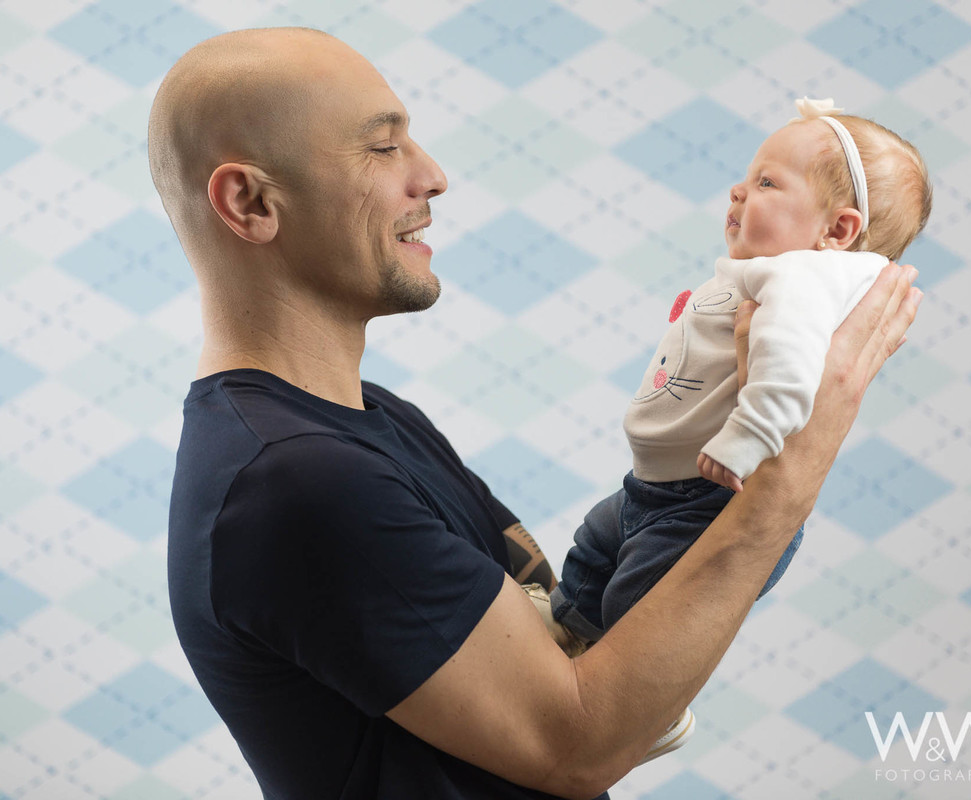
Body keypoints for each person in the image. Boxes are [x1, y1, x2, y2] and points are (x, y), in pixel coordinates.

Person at [151, 27, 922, 799]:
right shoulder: (295, 481)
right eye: (383, 149)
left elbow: (560, 641)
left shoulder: (371, 421)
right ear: (250, 202)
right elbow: (578, 742)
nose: (433, 175)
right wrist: (791, 469)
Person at [547, 101, 933, 662]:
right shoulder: (768, 273)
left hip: (704, 498)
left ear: (837, 230)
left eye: (767, 182)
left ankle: (645, 699)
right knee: (595, 549)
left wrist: (748, 435)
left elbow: (791, 368)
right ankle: (569, 631)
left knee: (648, 608)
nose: (737, 190)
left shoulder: (802, 281)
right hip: (655, 485)